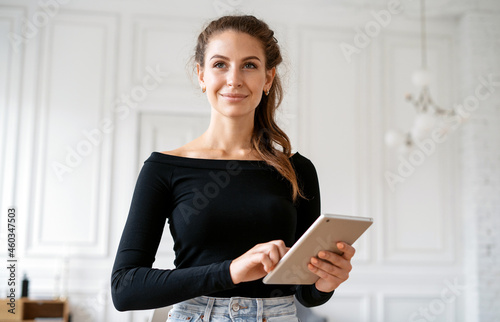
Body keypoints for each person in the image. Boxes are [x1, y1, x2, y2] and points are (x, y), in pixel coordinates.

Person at [111, 15, 356, 321]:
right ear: (201, 75)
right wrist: (230, 271)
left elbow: (305, 292)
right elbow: (125, 289)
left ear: (268, 78)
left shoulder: (298, 170)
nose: (234, 79)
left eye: (250, 65)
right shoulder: (163, 168)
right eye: (220, 64)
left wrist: (325, 283)